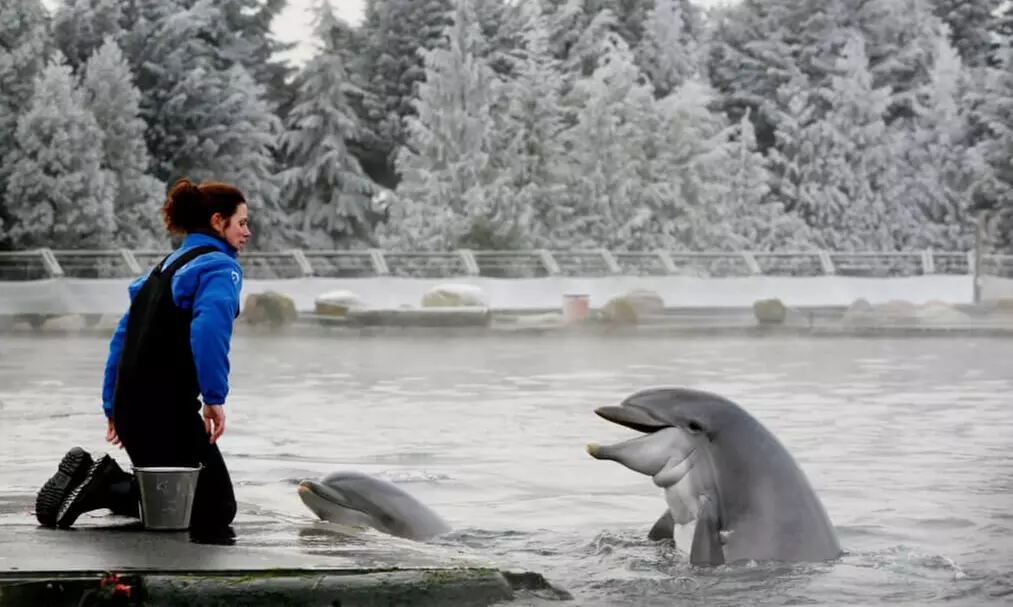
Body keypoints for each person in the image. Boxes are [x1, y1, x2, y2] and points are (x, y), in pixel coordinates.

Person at [34, 178, 251, 532]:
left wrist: (113, 406)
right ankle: (106, 483)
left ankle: (101, 483)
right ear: (217, 222)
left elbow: (122, 341)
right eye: (241, 222)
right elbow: (209, 330)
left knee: (179, 499)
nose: (247, 232)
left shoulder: (162, 269)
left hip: (134, 409)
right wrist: (214, 398)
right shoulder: (217, 268)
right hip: (166, 412)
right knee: (215, 507)